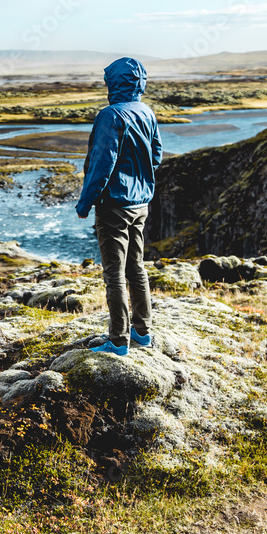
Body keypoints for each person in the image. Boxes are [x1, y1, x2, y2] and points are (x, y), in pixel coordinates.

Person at [75, 57, 163, 356]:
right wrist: (142, 180)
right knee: (136, 267)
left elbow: (102, 163)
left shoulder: (110, 115)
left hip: (114, 204)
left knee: (114, 273)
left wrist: (86, 201)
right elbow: (156, 155)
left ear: (114, 82)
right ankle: (142, 331)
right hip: (141, 202)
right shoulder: (146, 111)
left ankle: (118, 340)